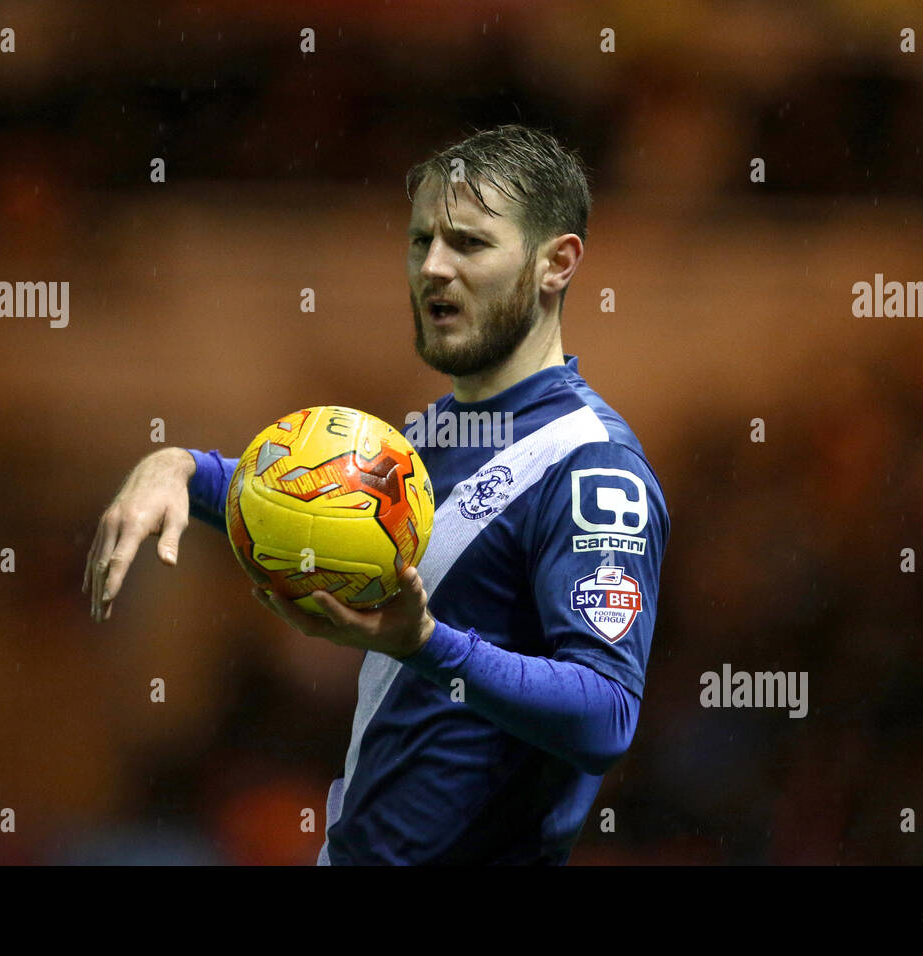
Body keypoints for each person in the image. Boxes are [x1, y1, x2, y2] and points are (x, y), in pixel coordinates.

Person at [84, 124, 670, 864]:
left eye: (469, 243)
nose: (433, 267)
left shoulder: (591, 466)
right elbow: (316, 501)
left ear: (558, 263)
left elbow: (605, 717)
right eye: (420, 240)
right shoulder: (430, 440)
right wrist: (183, 468)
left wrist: (427, 644)